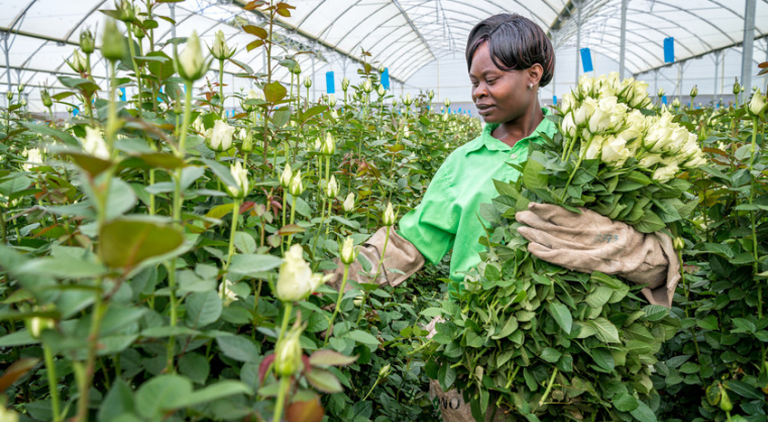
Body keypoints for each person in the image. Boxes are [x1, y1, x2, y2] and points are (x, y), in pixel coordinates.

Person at [330, 13, 680, 422]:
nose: (479, 92)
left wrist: (614, 243)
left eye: (491, 79)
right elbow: (410, 242)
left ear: (533, 74)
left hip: (568, 347)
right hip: (472, 340)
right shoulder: (463, 163)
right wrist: (331, 284)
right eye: (474, 81)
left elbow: (658, 258)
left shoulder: (583, 151)